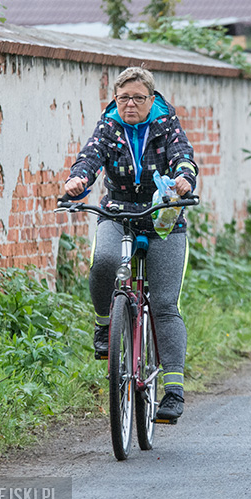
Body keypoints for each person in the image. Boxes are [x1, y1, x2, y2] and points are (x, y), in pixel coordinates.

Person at [64, 67, 198, 421]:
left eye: (138, 98)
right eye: (124, 98)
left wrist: (184, 178)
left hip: (163, 219)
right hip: (118, 214)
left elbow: (183, 156)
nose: (130, 104)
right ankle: (104, 323)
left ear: (151, 99)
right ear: (116, 99)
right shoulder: (109, 127)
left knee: (165, 304)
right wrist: (78, 179)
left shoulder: (166, 125)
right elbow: (91, 157)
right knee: (105, 262)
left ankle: (173, 392)